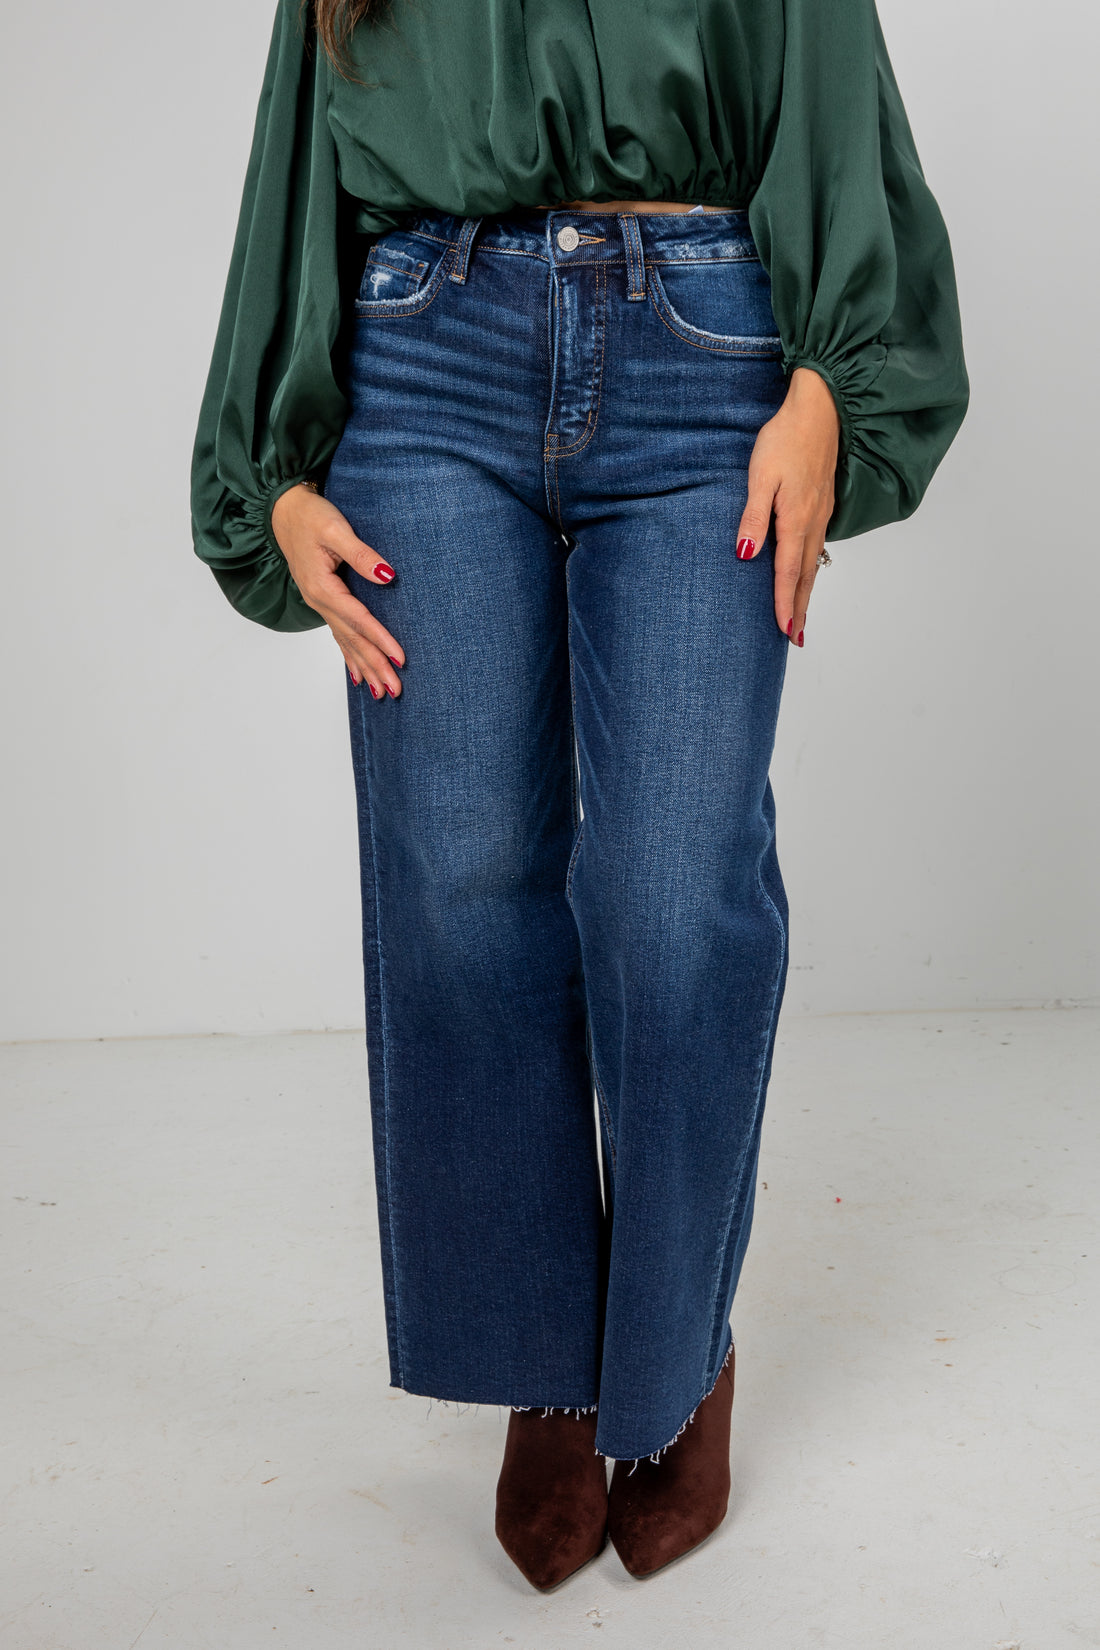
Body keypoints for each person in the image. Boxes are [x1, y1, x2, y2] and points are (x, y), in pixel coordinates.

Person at [190, 0, 969, 1590]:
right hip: (424, 349)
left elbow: (823, 64)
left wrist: (828, 384)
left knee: (674, 897)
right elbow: (300, 119)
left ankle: (675, 1355)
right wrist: (270, 466)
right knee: (464, 875)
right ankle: (544, 1359)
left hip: (706, 348)